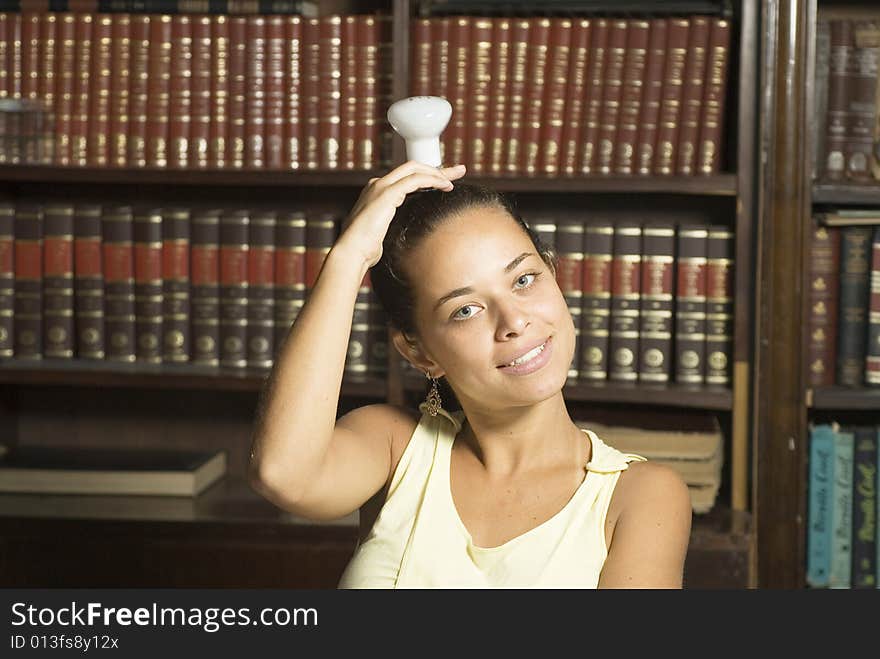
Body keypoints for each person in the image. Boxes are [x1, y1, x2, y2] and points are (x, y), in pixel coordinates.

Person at [248, 161, 692, 588]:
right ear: (420, 352)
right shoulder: (393, 448)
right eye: (465, 310)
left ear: (554, 278)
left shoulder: (642, 496)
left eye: (523, 280)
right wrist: (348, 257)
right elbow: (283, 474)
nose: (513, 321)